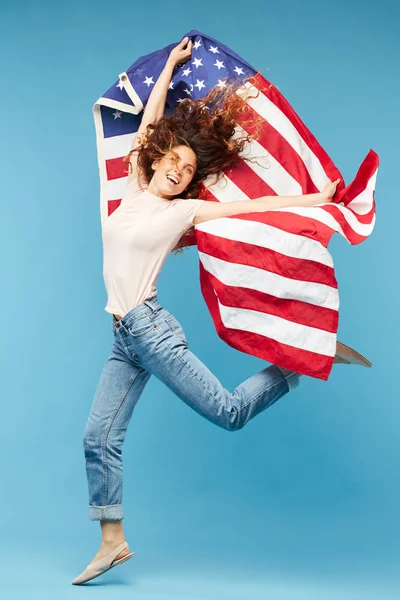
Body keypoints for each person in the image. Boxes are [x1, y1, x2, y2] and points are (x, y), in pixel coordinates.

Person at [72, 36, 371, 585]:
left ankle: (299, 360)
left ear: (189, 182)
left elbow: (258, 205)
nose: (177, 172)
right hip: (123, 335)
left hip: (149, 329)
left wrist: (315, 201)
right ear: (157, 159)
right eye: (172, 162)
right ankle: (112, 541)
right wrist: (168, 65)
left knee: (230, 414)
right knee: (98, 437)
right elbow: (150, 117)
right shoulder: (137, 188)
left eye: (187, 170)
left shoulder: (182, 213)